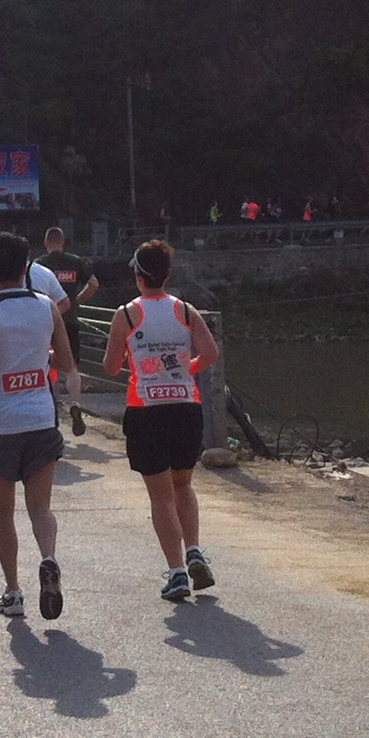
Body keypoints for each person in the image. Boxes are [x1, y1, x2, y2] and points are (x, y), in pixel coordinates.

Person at [103, 239, 219, 601]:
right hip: (185, 405)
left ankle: (177, 573)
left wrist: (138, 362)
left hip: (146, 409)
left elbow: (111, 367)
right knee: (183, 485)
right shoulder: (186, 311)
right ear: (167, 275)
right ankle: (194, 550)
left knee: (160, 496)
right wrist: (186, 368)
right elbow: (211, 353)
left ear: (138, 277)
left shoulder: (125, 315)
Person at [0, 231, 74, 620]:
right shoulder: (47, 306)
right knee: (41, 508)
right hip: (42, 416)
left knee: (3, 510)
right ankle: (48, 558)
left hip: (3, 419)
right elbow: (65, 362)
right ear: (27, 265)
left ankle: (13, 592)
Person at [34, 228, 94, 437]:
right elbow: (93, 284)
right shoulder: (76, 262)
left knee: (46, 362)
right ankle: (75, 403)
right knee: (71, 367)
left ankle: (52, 400)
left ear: (46, 243)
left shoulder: (39, 264)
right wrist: (77, 300)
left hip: (47, 320)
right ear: (63, 242)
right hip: (69, 319)